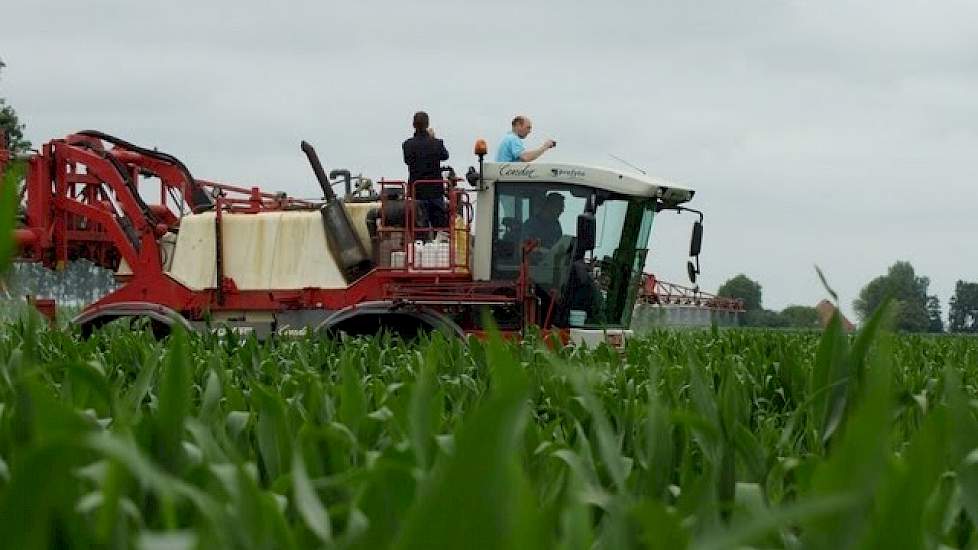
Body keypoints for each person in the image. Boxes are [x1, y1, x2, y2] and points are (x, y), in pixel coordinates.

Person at [402, 111, 450, 232]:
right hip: (435, 191)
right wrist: (432, 137)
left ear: (413, 125)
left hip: (416, 192)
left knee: (418, 228)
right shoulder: (437, 143)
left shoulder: (407, 145)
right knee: (440, 228)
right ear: (427, 124)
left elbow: (407, 161)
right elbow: (445, 156)